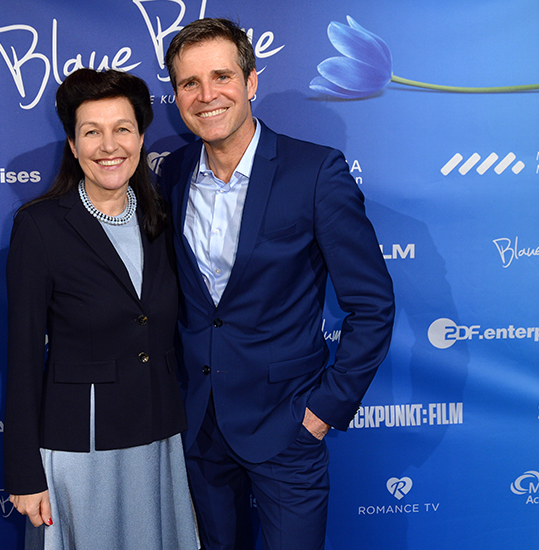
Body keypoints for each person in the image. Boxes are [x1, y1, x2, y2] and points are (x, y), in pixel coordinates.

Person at [160, 18, 396, 550]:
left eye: (221, 76)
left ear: (250, 82)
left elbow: (372, 305)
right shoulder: (171, 173)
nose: (206, 95)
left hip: (287, 423)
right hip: (200, 425)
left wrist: (324, 410)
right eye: (189, 83)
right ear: (176, 95)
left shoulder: (315, 172)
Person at [4, 68, 198, 550]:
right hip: (82, 447)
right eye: (92, 132)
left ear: (141, 139)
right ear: (73, 145)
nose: (109, 146)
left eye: (122, 129)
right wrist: (24, 472)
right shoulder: (40, 226)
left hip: (158, 438)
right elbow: (23, 357)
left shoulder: (163, 218)